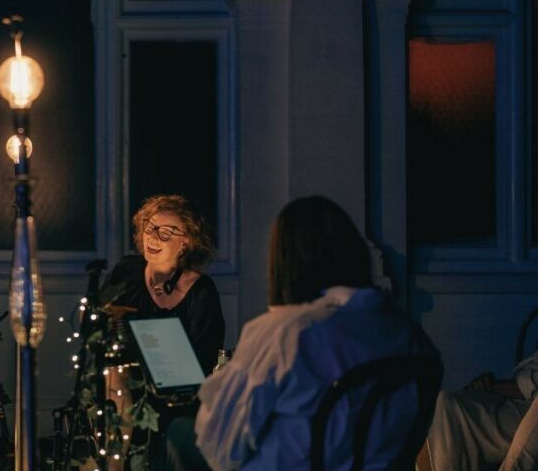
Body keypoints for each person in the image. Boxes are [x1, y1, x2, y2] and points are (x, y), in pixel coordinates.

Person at [195, 195, 439, 470]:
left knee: (183, 435)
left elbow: (220, 449)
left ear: (284, 262)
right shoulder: (409, 334)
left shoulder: (284, 332)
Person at [99, 194, 224, 470]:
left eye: (165, 232)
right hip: (121, 393)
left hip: (176, 404)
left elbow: (201, 364)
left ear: (186, 242)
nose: (153, 237)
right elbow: (98, 327)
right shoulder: (127, 272)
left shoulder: (201, 292)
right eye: (149, 227)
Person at [424, 351, 538, 470]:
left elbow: (527, 386)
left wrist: (494, 387)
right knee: (447, 404)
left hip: (529, 407)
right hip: (514, 403)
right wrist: (483, 388)